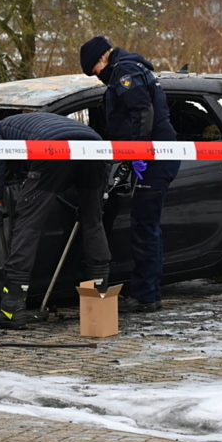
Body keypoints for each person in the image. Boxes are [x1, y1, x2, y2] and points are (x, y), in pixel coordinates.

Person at [0, 112, 111, 329]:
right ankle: (99, 309)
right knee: (93, 222)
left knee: (27, 227)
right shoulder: (40, 121)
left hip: (52, 149)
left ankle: (11, 312)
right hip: (94, 146)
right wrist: (98, 196)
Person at [79, 36, 181, 313]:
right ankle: (146, 292)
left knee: (144, 226)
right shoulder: (130, 68)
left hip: (155, 156)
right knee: (143, 224)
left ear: (102, 59)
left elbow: (141, 111)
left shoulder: (125, 72)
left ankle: (146, 296)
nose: (98, 77)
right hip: (152, 153)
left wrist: (137, 150)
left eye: (95, 70)